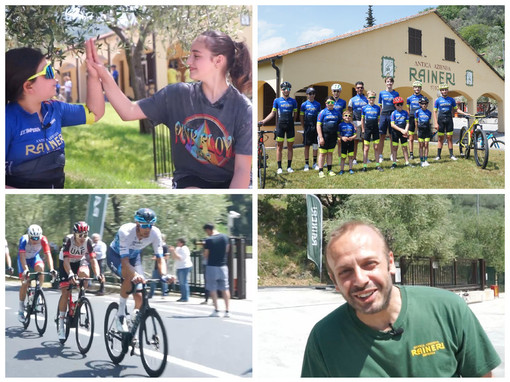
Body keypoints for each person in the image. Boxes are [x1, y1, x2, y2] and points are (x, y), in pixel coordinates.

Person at [301, 221, 501, 377]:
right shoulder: (324, 339)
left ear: (389, 263)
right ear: (334, 280)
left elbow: (481, 375)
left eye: (369, 264)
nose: (360, 280)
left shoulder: (448, 309)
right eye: (345, 272)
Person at [89, 31, 252, 189]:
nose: (188, 61)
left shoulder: (243, 109)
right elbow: (128, 111)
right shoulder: (176, 95)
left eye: (196, 56)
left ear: (218, 61)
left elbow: (242, 170)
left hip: (229, 183)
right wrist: (102, 74)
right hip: (189, 180)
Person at [5, 42, 105, 188]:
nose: (55, 77)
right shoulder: (7, 120)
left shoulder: (55, 109)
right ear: (28, 86)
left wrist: (93, 76)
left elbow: (95, 113)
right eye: (48, 72)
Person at [107, 208, 174, 332]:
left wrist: (164, 275)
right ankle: (120, 315)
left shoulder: (155, 233)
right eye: (144, 225)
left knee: (140, 295)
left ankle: (133, 322)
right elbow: (125, 262)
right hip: (116, 256)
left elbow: (160, 259)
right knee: (129, 276)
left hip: (134, 257)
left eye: (150, 225)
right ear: (137, 224)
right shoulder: (125, 231)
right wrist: (135, 274)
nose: (148, 228)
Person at [57, 222, 104, 340]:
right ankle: (61, 322)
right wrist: (70, 274)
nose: (83, 238)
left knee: (85, 274)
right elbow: (66, 261)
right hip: (66, 263)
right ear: (75, 234)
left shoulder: (88, 242)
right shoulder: (68, 240)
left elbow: (93, 260)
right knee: (65, 292)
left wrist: (98, 274)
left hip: (79, 261)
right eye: (80, 235)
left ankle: (82, 298)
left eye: (85, 235)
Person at [16, 224, 57, 322]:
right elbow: (22, 257)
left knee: (41, 267)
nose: (35, 241)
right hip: (24, 260)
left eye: (37, 238)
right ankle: (21, 309)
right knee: (25, 282)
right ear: (29, 236)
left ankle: (38, 291)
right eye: (33, 238)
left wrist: (51, 269)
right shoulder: (24, 240)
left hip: (34, 257)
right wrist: (26, 270)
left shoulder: (43, 239)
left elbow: (48, 255)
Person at [259, 81, 298, 174]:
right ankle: (279, 167)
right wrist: (264, 121)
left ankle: (289, 166)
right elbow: (273, 113)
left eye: (288, 89)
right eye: (284, 89)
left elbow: (295, 114)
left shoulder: (293, 101)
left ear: (289, 90)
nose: (286, 90)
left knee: (290, 147)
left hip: (290, 126)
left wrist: (292, 122)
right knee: (279, 147)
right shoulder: (277, 101)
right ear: (281, 90)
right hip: (280, 126)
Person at [433, 84, 469, 161]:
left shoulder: (452, 100)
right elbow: (434, 112)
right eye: (443, 90)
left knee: (450, 138)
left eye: (445, 89)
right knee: (440, 138)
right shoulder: (437, 100)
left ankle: (451, 155)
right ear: (441, 91)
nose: (444, 91)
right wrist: (435, 123)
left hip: (449, 120)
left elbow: (456, 109)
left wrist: (464, 113)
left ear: (447, 90)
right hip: (441, 120)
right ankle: (438, 155)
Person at [203, 223, 230, 317]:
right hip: (223, 266)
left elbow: (206, 254)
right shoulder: (225, 237)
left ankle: (217, 310)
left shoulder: (209, 240)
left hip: (212, 266)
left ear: (208, 230)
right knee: (225, 288)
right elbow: (227, 250)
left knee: (212, 288)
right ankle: (227, 311)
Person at [317, 96, 341, 178]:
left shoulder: (337, 113)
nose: (330, 104)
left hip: (333, 136)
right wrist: (321, 137)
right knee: (322, 153)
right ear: (326, 104)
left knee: (330, 153)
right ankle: (320, 171)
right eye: (329, 102)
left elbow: (340, 124)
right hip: (324, 136)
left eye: (332, 102)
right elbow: (318, 125)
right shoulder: (322, 112)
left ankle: (329, 170)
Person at [378, 76, 399, 163]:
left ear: (392, 83)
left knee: (392, 136)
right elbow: (380, 106)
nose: (389, 83)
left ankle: (392, 155)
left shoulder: (396, 93)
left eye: (390, 82)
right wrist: (380, 117)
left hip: (392, 115)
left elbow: (397, 106)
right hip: (384, 115)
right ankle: (380, 155)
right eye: (387, 81)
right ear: (385, 83)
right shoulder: (381, 93)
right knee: (382, 136)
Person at [361, 91, 383, 172]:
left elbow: (378, 119)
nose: (372, 99)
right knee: (366, 148)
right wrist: (363, 129)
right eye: (370, 97)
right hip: (367, 129)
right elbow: (362, 119)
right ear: (367, 98)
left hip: (375, 129)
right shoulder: (364, 108)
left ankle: (377, 165)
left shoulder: (378, 108)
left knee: (376, 147)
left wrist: (378, 127)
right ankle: (364, 166)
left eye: (373, 98)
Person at [299, 87, 321, 171]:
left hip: (315, 127)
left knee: (315, 145)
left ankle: (315, 163)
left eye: (313, 94)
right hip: (307, 126)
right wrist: (303, 126)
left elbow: (319, 116)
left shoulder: (318, 104)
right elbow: (301, 116)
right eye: (309, 94)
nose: (311, 95)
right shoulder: (304, 104)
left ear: (314, 95)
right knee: (307, 146)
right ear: (307, 95)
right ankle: (306, 164)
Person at [348, 81, 368, 165]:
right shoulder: (352, 100)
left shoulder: (366, 99)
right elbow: (349, 112)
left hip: (365, 122)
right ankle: (354, 159)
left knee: (365, 141)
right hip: (356, 122)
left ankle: (365, 158)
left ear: (363, 88)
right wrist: (352, 123)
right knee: (355, 141)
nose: (360, 89)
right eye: (358, 87)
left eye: (361, 87)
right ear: (355, 89)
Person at [390, 96, 411, 169]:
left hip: (404, 131)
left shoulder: (405, 112)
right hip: (395, 132)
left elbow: (408, 122)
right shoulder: (393, 113)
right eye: (398, 104)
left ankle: (407, 162)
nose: (400, 106)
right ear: (395, 105)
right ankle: (394, 162)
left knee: (404, 147)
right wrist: (401, 130)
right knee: (395, 147)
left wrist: (405, 130)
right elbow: (392, 124)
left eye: (401, 104)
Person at [170, 238, 193, 302]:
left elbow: (180, 258)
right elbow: (174, 257)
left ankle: (185, 297)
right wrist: (173, 251)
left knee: (183, 282)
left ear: (182, 243)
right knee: (181, 282)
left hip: (185, 267)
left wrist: (174, 251)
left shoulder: (184, 249)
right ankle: (182, 296)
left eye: (178, 242)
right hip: (179, 267)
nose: (177, 243)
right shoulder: (178, 248)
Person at [406, 81, 425, 160]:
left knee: (420, 136)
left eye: (419, 87)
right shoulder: (409, 98)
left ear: (420, 88)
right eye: (416, 87)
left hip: (420, 117)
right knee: (411, 137)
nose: (417, 89)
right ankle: (411, 154)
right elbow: (408, 109)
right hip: (411, 117)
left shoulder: (422, 97)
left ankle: (421, 153)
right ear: (413, 88)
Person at [148, 234, 170, 299]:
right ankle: (151, 294)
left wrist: (159, 258)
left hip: (162, 266)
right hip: (156, 266)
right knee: (153, 281)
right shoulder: (158, 247)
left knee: (164, 281)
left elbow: (167, 256)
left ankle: (164, 294)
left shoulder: (165, 247)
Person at [331, 84, 347, 167]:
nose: (336, 93)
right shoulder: (329, 100)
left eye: (337, 91)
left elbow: (344, 114)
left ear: (340, 92)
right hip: (331, 124)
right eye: (334, 91)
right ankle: (328, 161)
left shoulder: (343, 102)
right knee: (329, 143)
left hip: (340, 124)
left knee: (340, 143)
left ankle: (341, 160)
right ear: (332, 91)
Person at [415, 97, 433, 167]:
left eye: (425, 104)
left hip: (427, 130)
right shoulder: (417, 112)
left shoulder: (429, 112)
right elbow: (416, 121)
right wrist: (417, 130)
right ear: (420, 104)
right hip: (420, 130)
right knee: (421, 145)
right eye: (422, 104)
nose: (424, 105)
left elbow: (429, 121)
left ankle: (426, 160)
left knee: (426, 145)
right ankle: (421, 160)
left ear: (427, 104)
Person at [338, 111, 356, 175]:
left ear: (351, 117)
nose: (347, 117)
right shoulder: (340, 125)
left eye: (349, 116)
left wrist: (352, 137)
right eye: (346, 115)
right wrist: (342, 137)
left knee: (351, 156)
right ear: (343, 117)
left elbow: (355, 134)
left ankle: (350, 169)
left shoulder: (352, 125)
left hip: (351, 142)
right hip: (344, 142)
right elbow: (338, 134)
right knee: (343, 157)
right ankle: (342, 169)